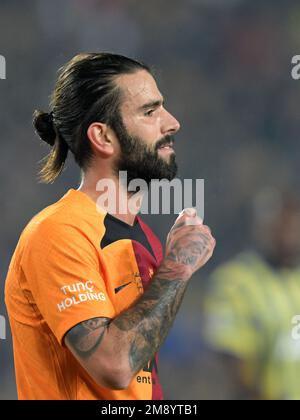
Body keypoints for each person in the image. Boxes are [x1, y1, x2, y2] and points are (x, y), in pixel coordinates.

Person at [5, 53, 216, 400]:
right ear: (103, 137)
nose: (173, 122)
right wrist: (178, 266)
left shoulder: (145, 238)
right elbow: (114, 365)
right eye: (150, 112)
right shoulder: (59, 233)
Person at [203, 189, 300, 400]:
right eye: (281, 223)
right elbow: (230, 362)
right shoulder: (235, 282)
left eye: (294, 224)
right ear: (263, 227)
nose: (288, 232)